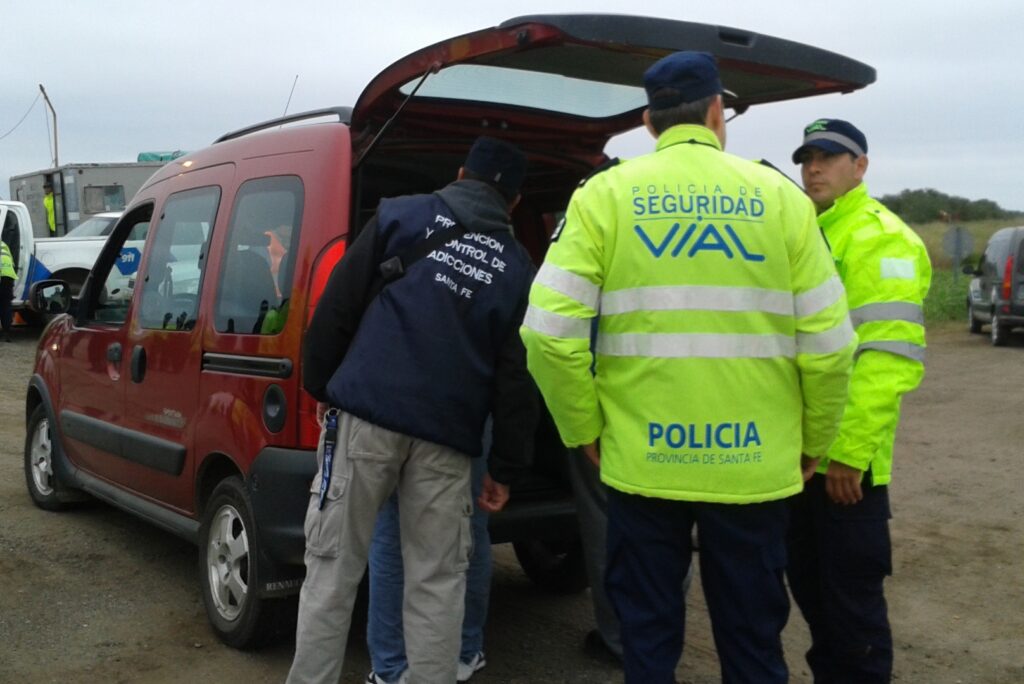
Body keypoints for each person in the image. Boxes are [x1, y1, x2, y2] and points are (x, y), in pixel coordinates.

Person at [520, 51, 855, 683]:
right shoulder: (779, 199)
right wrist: (813, 441)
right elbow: (832, 346)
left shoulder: (604, 196)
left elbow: (548, 335)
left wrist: (583, 429)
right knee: (754, 644)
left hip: (643, 464)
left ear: (649, 122)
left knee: (646, 640)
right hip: (755, 464)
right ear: (715, 112)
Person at [287, 136, 538, 684]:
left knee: (332, 571)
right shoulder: (517, 267)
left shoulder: (400, 215)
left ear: (458, 171)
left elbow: (337, 306)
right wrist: (507, 469)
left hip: (365, 422)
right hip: (448, 441)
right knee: (437, 583)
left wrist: (321, 387)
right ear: (514, 203)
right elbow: (517, 375)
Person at [788, 119, 932, 683]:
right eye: (807, 158)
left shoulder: (881, 238)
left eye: (829, 156)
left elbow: (887, 359)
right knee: (818, 609)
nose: (814, 168)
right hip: (798, 462)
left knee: (853, 620)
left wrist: (847, 453)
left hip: (845, 471)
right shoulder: (809, 232)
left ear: (861, 166)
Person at [365, 421, 494, 684]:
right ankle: (464, 650)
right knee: (466, 528)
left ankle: (390, 667)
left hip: (386, 405)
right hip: (462, 409)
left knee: (390, 531)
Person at [1, 238, 16, 342]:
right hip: (8, 276)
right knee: (6, 305)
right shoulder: (4, 245)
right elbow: (13, 263)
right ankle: (7, 331)